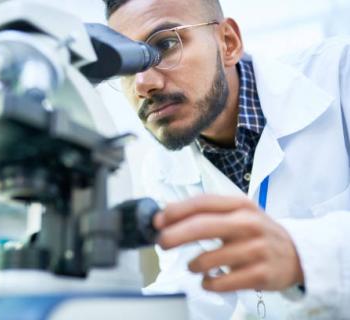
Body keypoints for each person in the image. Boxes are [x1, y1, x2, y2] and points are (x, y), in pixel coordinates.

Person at [102, 0, 350, 319]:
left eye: (164, 44)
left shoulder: (340, 75)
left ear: (228, 43)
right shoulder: (162, 170)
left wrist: (304, 254)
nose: (144, 84)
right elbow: (197, 294)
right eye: (126, 67)